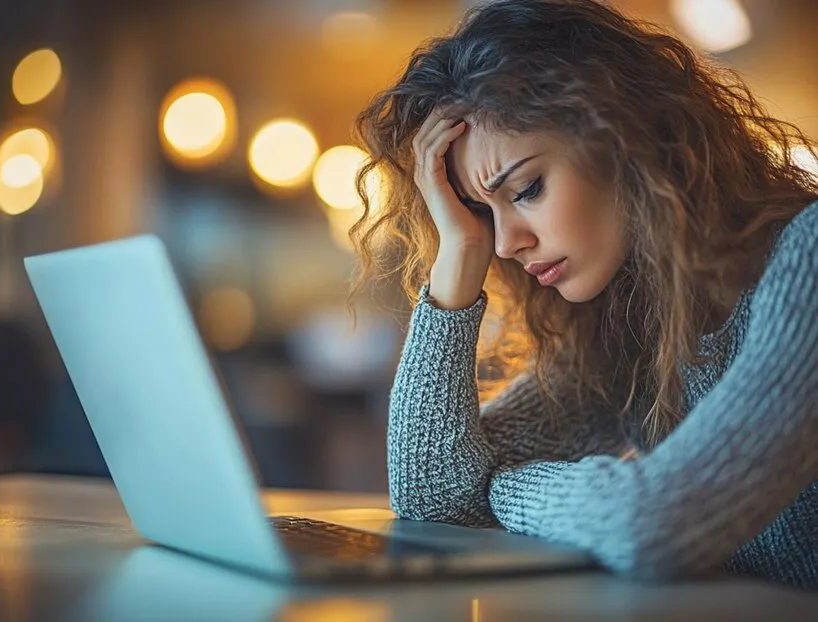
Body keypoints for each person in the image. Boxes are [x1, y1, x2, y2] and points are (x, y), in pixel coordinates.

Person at [348, 0, 818, 588]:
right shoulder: (633, 322)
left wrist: (500, 487)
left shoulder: (810, 254)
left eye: (526, 188)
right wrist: (457, 257)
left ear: (625, 137)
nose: (504, 244)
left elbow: (651, 522)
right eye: (481, 212)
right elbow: (433, 494)